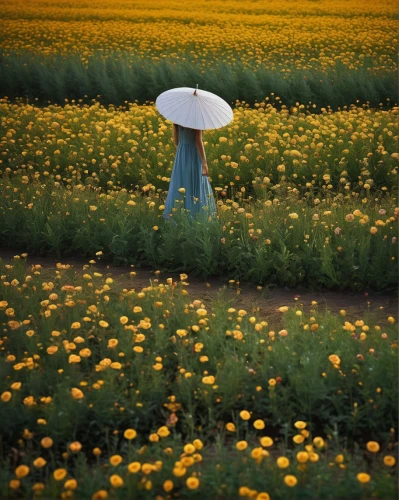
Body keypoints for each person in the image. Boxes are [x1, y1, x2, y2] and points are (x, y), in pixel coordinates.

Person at [162, 123, 217, 224]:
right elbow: (198, 141)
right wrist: (204, 162)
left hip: (181, 154)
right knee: (195, 183)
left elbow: (176, 142)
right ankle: (195, 217)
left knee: (181, 183)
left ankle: (178, 217)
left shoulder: (177, 121)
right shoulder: (196, 120)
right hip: (193, 155)